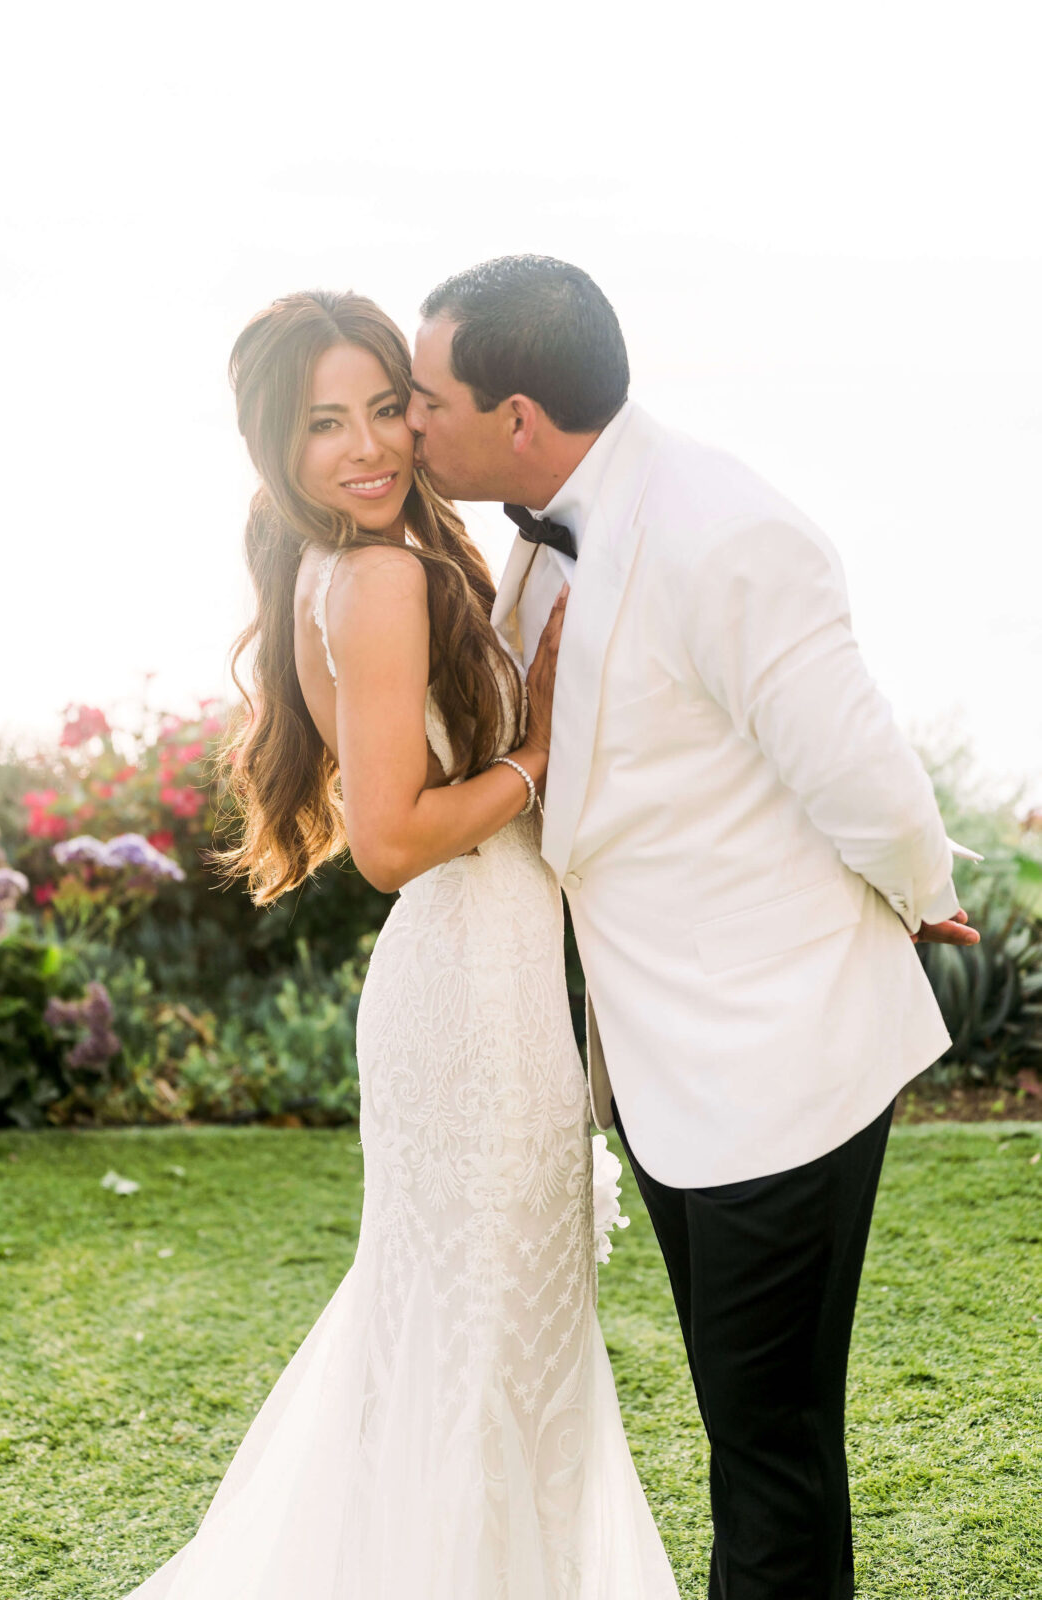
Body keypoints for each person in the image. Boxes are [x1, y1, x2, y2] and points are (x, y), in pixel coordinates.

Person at [407, 254, 983, 1600]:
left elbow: (865, 775)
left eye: (427, 399)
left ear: (521, 420)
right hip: (665, 1065)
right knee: (746, 1425)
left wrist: (925, 902)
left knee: (769, 1438)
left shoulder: (724, 530)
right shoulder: (540, 531)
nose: (408, 422)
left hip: (782, 1061)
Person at [119, 290, 680, 1598]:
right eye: (325, 424)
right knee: (481, 1346)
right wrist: (537, 761)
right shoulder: (374, 578)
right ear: (276, 446)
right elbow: (386, 840)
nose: (368, 445)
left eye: (387, 407)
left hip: (482, 981)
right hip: (468, 998)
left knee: (479, 1340)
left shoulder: (366, 560)